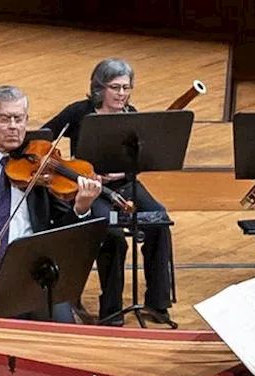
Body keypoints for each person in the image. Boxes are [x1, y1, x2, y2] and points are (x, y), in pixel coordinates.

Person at [0, 85, 102, 321]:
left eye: (19, 119)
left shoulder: (43, 167)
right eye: (5, 119)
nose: (13, 126)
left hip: (34, 273)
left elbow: (64, 228)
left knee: (64, 324)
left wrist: (81, 207)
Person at [42, 57, 175, 326]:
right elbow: (45, 135)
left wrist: (124, 173)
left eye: (126, 88)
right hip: (89, 190)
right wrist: (67, 168)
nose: (122, 94)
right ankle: (111, 312)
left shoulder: (132, 115)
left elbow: (144, 158)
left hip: (125, 186)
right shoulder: (79, 112)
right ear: (100, 88)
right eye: (115, 88)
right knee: (111, 233)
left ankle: (157, 302)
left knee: (159, 219)